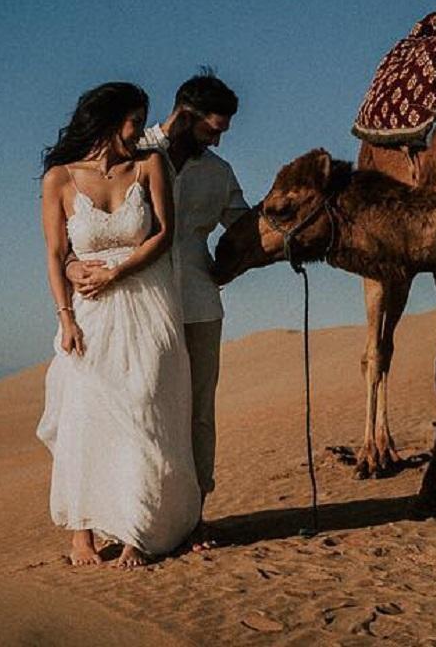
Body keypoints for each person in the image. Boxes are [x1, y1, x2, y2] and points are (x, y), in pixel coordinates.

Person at [68, 70, 248, 540]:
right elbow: (81, 230)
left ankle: (191, 517)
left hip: (198, 302)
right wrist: (70, 268)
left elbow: (245, 231)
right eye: (212, 130)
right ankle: (130, 515)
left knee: (197, 412)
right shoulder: (132, 151)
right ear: (186, 117)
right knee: (136, 409)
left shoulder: (219, 173)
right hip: (138, 305)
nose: (218, 141)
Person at [36, 81, 201, 568]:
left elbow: (165, 235)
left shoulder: (149, 165)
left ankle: (136, 527)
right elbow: (54, 254)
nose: (140, 132)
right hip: (87, 313)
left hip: (146, 302)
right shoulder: (60, 179)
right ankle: (82, 533)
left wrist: (116, 271)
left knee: (144, 412)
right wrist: (65, 316)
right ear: (110, 122)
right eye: (135, 121)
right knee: (84, 415)